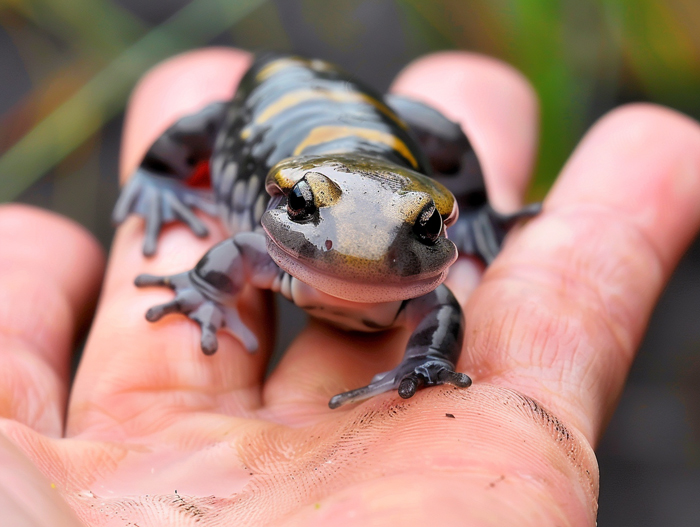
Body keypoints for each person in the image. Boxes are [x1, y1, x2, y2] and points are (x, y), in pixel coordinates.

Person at [1, 48, 699, 526]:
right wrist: (200, 284)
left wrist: (429, 359)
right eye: (301, 211)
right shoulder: (265, 245)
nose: (360, 258)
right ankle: (160, 173)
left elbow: (439, 307)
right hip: (278, 103)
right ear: (282, 209)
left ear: (439, 231)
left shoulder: (416, 283)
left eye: (425, 229)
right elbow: (233, 253)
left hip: (369, 126)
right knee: (213, 124)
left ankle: (469, 204)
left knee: (430, 125)